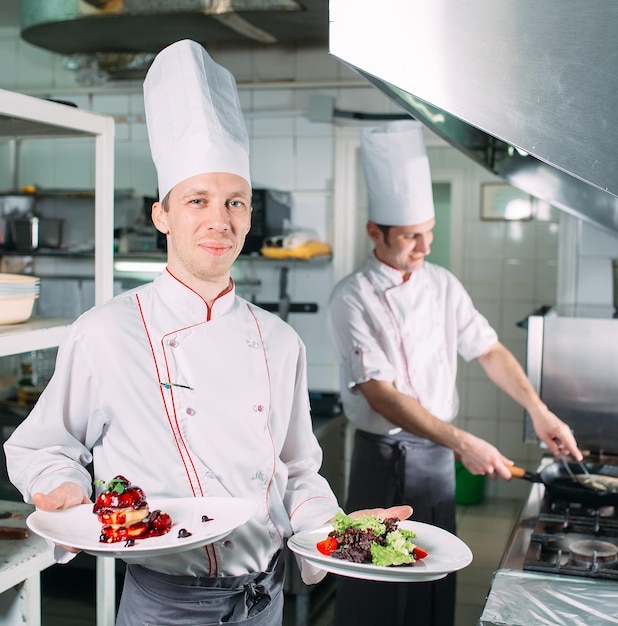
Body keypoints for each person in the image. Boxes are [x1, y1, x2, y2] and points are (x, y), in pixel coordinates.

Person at [4, 41, 410, 626]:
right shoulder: (105, 332)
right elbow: (42, 446)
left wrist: (339, 532)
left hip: (264, 600)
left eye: (235, 202)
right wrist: (62, 487)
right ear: (162, 215)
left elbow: (297, 472)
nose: (220, 221)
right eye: (197, 201)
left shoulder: (278, 341)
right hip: (167, 605)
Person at [326, 120, 583, 626]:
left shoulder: (442, 285)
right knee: (376, 582)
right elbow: (381, 395)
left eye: (429, 235)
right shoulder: (351, 297)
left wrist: (540, 410)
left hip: (438, 461)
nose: (423, 248)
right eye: (410, 238)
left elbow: (488, 350)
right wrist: (463, 442)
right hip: (384, 457)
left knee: (435, 574)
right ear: (375, 232)